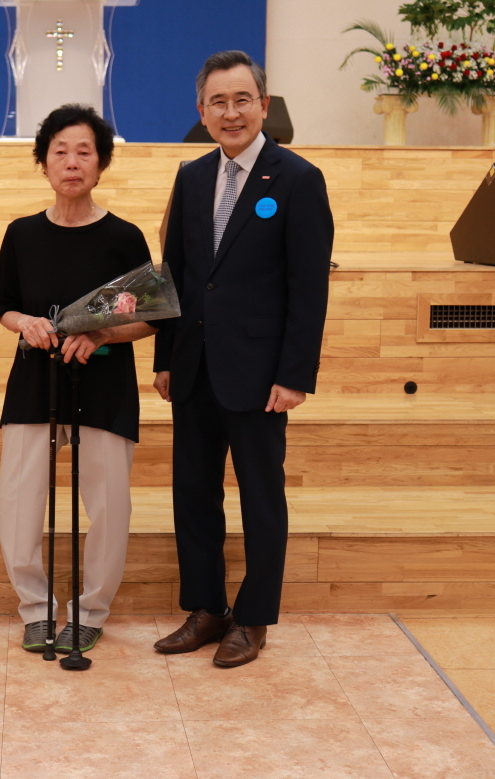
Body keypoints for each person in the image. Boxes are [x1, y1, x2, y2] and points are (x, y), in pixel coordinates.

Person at [152, 51, 333, 667]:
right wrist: (166, 357)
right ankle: (206, 608)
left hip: (260, 374)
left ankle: (253, 619)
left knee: (260, 498)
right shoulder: (192, 177)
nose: (231, 113)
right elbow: (175, 276)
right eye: (218, 103)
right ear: (201, 111)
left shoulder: (297, 178)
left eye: (241, 100)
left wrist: (295, 374)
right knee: (194, 494)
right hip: (194, 366)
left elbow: (309, 287)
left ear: (263, 105)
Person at [0, 104, 157, 655]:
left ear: (101, 163)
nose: (71, 162)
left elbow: (152, 317)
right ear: (43, 162)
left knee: (108, 506)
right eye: (60, 151)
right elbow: (2, 306)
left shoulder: (124, 237)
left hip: (103, 384)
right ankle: (35, 609)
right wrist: (25, 322)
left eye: (84, 151)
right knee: (19, 503)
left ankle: (90, 612)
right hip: (34, 380)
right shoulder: (21, 234)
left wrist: (103, 333)